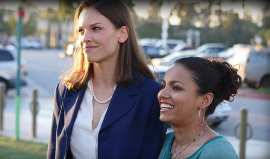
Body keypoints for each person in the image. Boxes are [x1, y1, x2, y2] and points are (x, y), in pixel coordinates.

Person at [47, 0, 167, 158]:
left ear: (122, 34)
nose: (85, 38)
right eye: (81, 30)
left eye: (96, 28)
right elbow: (55, 152)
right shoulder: (65, 91)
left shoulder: (150, 95)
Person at [158, 57, 242, 159]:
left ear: (205, 100)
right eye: (163, 86)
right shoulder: (167, 142)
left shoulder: (218, 153)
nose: (162, 94)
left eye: (176, 88)